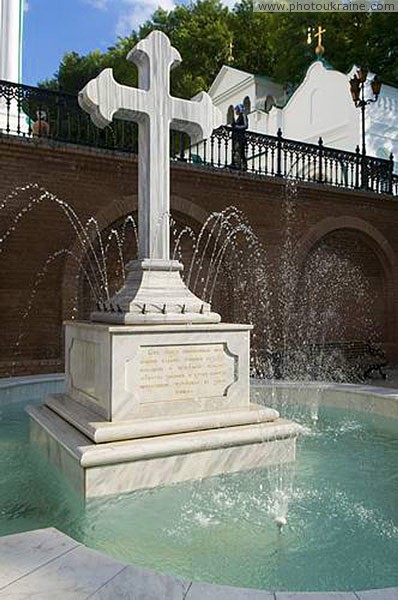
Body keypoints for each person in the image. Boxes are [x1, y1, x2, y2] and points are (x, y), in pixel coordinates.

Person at [231, 103, 248, 170]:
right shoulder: (238, 118)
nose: (236, 111)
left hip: (241, 137)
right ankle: (236, 164)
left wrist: (236, 127)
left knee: (241, 151)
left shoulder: (243, 115)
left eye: (237, 109)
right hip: (236, 137)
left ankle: (243, 165)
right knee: (235, 151)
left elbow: (245, 125)